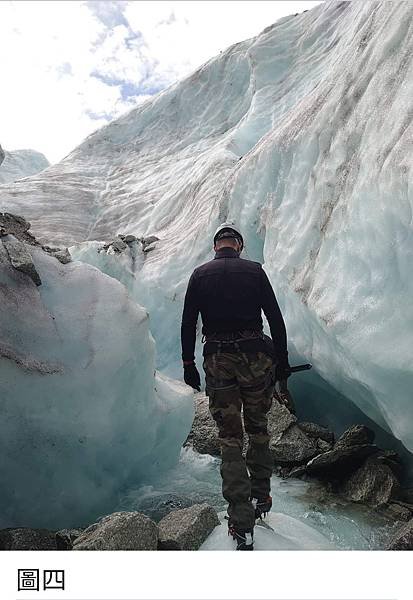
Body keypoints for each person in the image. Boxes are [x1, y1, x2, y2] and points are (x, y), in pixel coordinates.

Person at [181, 221, 290, 550]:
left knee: (229, 437)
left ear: (216, 247)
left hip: (218, 360)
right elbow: (275, 317)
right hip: (256, 359)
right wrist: (281, 360)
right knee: (258, 429)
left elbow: (188, 322)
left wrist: (188, 363)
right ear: (239, 246)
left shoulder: (200, 275)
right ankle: (262, 498)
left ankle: (240, 524)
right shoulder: (255, 271)